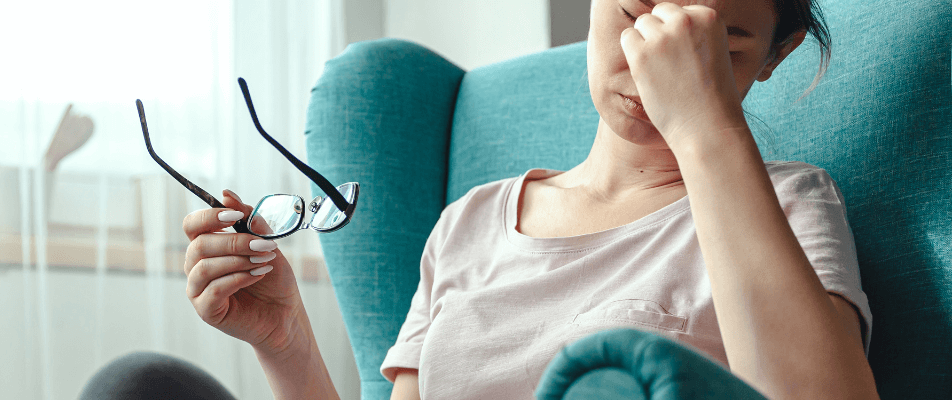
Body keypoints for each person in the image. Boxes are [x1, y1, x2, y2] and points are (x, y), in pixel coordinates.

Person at [84, 0, 880, 399]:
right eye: (637, 14)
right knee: (139, 384)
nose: (652, 63)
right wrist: (286, 341)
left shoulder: (785, 207)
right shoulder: (471, 221)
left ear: (772, 59)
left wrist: (705, 129)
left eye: (714, 43)